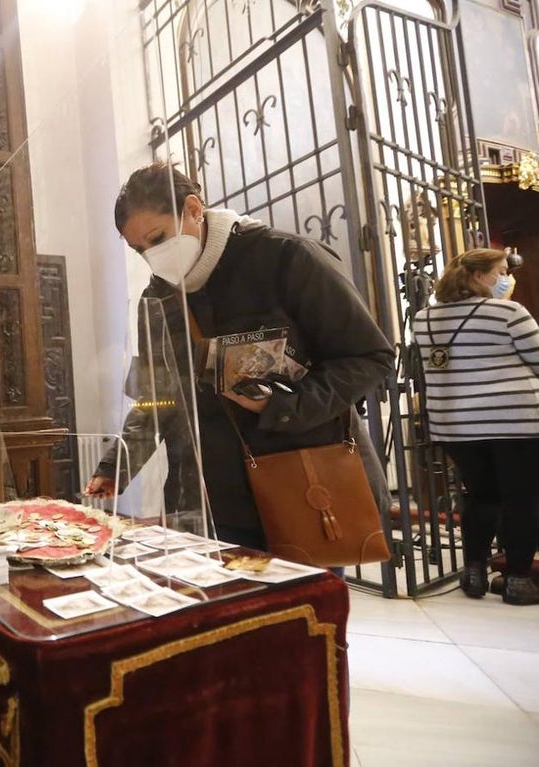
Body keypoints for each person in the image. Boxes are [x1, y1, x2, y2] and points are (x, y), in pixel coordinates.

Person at [85, 161, 394, 551]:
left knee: (303, 607)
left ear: (194, 209)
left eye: (157, 237)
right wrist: (118, 464)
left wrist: (284, 405)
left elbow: (369, 356)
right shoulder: (159, 298)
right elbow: (158, 395)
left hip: (298, 478)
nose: (151, 256)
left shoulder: (286, 258)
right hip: (209, 501)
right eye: (138, 249)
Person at [411, 247, 539, 606]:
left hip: (456, 425)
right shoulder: (509, 312)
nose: (504, 278)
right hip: (516, 421)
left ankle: (474, 573)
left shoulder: (424, 319)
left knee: (481, 496)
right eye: (499, 271)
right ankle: (517, 580)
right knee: (521, 499)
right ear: (479, 276)